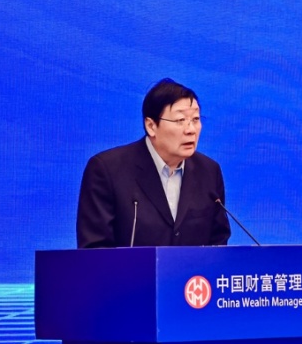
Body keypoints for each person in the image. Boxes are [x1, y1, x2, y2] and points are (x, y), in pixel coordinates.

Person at [76, 78, 231, 248]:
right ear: (151, 126)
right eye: (180, 120)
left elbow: (218, 244)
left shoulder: (209, 171)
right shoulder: (107, 170)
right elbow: (95, 248)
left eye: (195, 119)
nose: (191, 130)